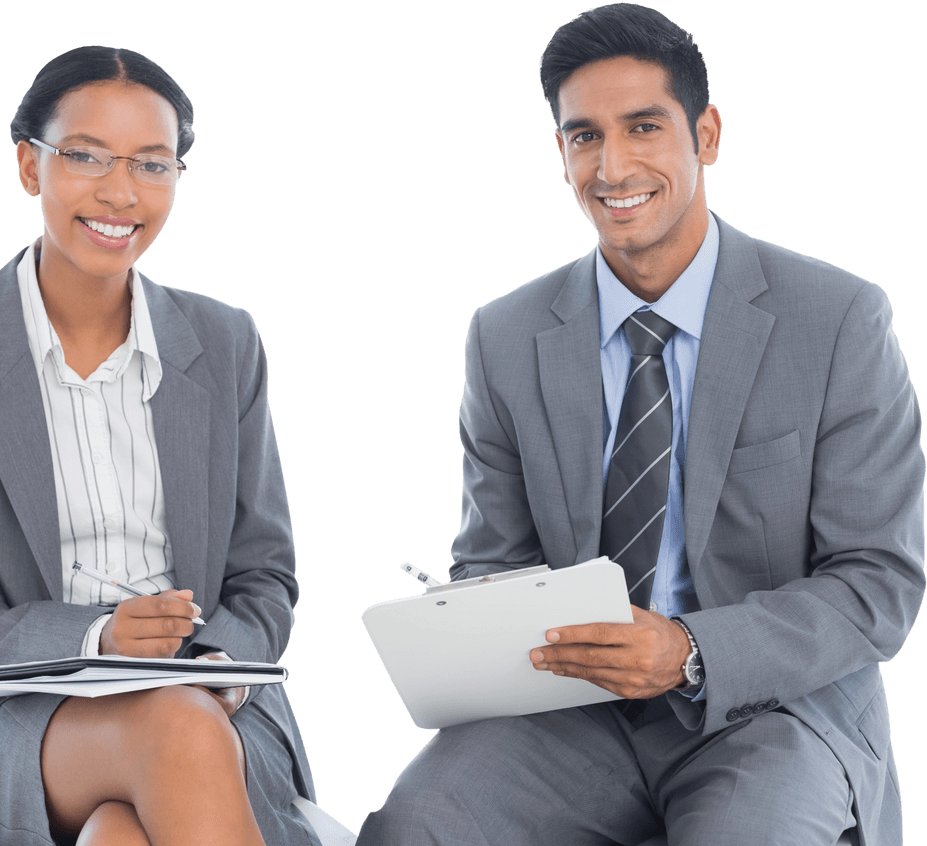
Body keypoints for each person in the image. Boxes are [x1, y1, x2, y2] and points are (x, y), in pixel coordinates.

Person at [357, 5, 924, 845]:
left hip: (770, 711)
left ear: (707, 135)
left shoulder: (838, 318)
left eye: (644, 127)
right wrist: (468, 623)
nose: (613, 166)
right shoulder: (505, 335)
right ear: (560, 153)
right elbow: (494, 559)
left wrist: (689, 647)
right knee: (419, 826)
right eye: (584, 137)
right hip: (568, 712)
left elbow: (879, 581)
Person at [0, 46, 320, 846]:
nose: (120, 192)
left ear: (177, 178)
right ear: (29, 166)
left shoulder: (226, 340)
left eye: (151, 164)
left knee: (119, 832)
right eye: (86, 156)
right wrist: (99, 636)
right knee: (175, 731)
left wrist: (217, 668)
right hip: (19, 716)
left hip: (216, 702)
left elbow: (264, 574)